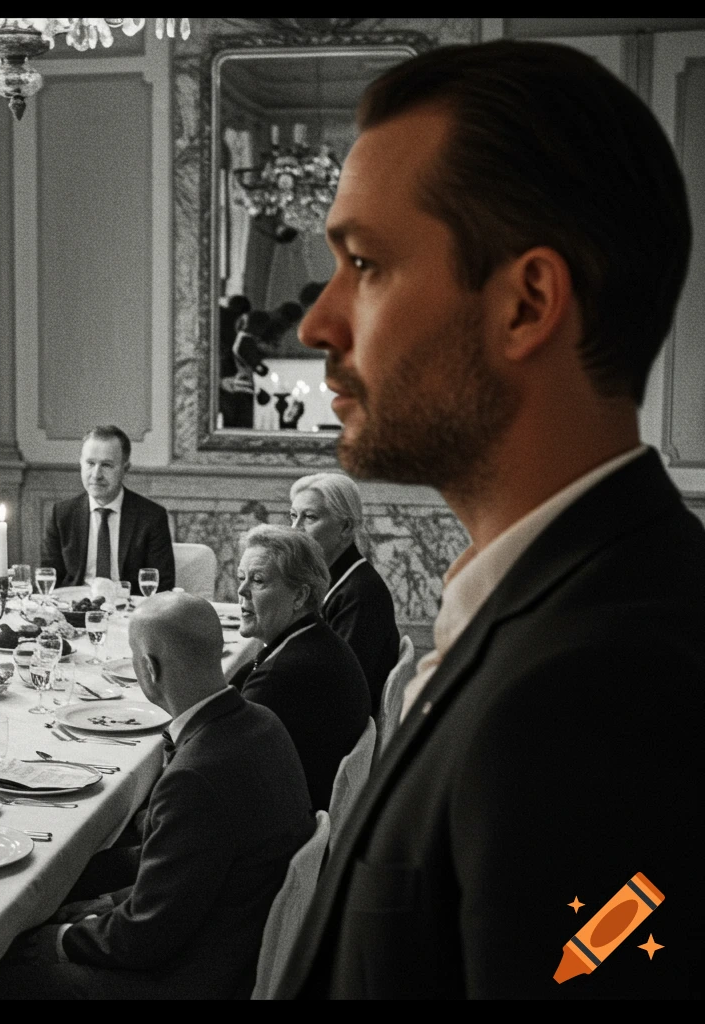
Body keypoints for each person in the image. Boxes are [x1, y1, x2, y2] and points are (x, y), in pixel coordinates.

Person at [278, 40, 703, 999]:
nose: (316, 324)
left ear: (526, 303)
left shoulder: (605, 688)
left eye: (366, 264)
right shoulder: (549, 603)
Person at [0, 592, 314, 999]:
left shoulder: (194, 777)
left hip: (194, 978)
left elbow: (144, 938)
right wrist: (108, 901)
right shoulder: (264, 721)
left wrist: (62, 939)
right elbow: (190, 871)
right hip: (234, 934)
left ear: (149, 668)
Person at [233, 525, 369, 811]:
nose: (241, 590)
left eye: (258, 580)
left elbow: (220, 769)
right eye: (241, 577)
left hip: (286, 820)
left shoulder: (283, 676)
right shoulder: (315, 637)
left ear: (299, 596)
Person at [289, 472, 399, 707]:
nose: (295, 529)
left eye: (309, 517)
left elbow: (342, 686)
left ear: (346, 527)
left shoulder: (360, 594)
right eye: (293, 516)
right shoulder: (333, 577)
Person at [41, 426, 175, 592]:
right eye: (90, 463)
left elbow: (162, 585)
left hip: (129, 605)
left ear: (125, 468)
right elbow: (48, 579)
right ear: (81, 464)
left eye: (106, 465)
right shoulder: (61, 514)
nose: (96, 475)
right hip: (74, 605)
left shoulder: (152, 517)